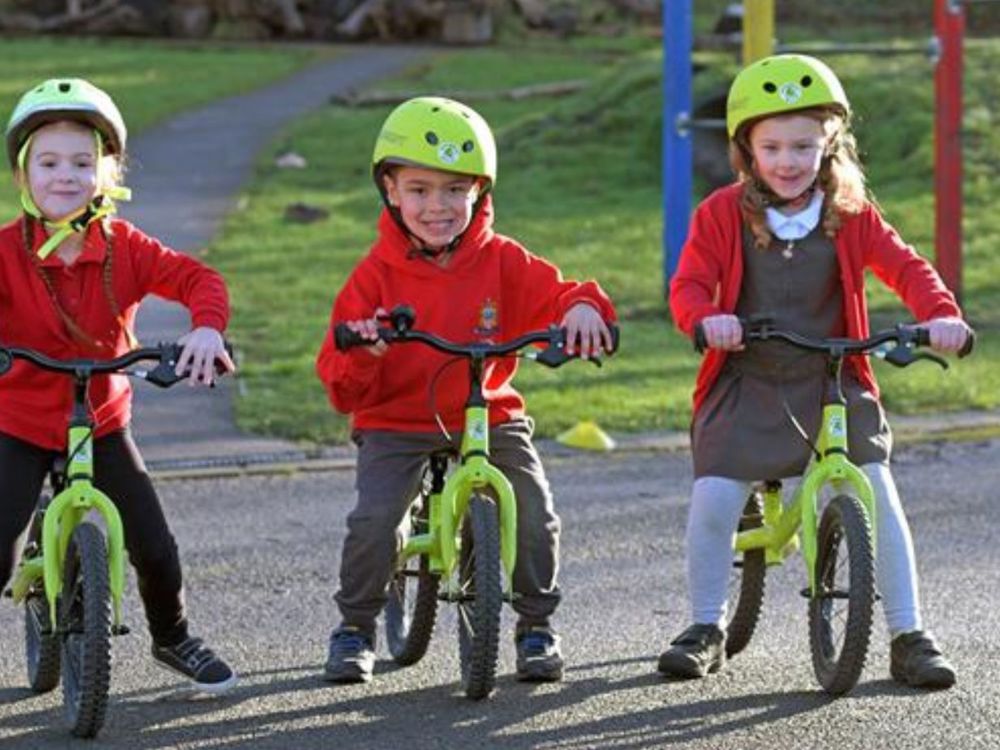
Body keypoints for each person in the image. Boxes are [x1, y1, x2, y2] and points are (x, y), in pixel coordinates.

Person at [662, 54, 972, 689]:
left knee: (878, 495)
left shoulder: (850, 212)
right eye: (772, 145)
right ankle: (704, 625)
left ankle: (909, 634)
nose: (787, 160)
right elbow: (690, 283)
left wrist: (939, 314)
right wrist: (706, 318)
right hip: (749, 379)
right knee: (715, 497)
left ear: (830, 142)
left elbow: (907, 267)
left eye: (803, 145)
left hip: (834, 380)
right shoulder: (722, 212)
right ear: (746, 148)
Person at [316, 96, 617, 684]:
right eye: (420, 189)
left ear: (479, 191)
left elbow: (563, 293)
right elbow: (340, 382)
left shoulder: (501, 260)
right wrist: (366, 350)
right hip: (397, 420)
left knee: (534, 509)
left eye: (455, 189)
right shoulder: (373, 275)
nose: (438, 206)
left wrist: (582, 309)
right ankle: (355, 627)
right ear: (391, 192)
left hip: (489, 412)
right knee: (376, 520)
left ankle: (536, 626)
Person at [0, 78, 237, 693]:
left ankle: (173, 635)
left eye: (83, 162)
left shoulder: (123, 247)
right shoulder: (6, 253)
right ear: (24, 176)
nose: (65, 176)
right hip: (20, 422)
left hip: (100, 422)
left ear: (108, 172)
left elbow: (197, 279)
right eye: (48, 163)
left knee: (155, 546)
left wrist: (206, 331)